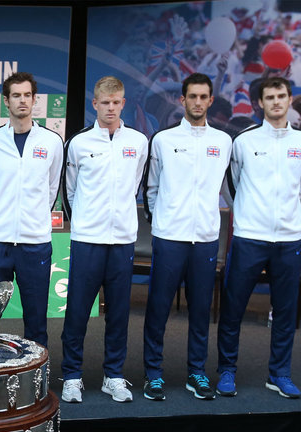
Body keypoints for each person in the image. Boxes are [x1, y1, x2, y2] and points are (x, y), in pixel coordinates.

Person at [141, 73, 232, 401]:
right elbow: (151, 188)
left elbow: (225, 189)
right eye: (191, 96)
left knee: (200, 310)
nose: (197, 102)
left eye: (203, 96)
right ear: (182, 100)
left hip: (205, 239)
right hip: (169, 237)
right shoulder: (163, 140)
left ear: (210, 100)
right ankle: (153, 374)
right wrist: (163, 220)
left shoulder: (223, 142)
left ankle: (197, 373)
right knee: (158, 308)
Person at [60, 76, 147, 403]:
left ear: (123, 103)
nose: (111, 108)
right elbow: (69, 190)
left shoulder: (139, 142)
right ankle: (71, 375)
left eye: (116, 102)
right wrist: (82, 221)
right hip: (87, 241)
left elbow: (135, 184)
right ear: (94, 104)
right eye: (104, 103)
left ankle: (114, 375)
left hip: (123, 241)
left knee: (120, 313)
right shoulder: (79, 143)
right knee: (78, 312)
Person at [217, 76, 301, 399]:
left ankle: (279, 374)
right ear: (260, 104)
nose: (276, 102)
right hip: (250, 237)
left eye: (281, 96)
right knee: (233, 308)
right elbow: (231, 184)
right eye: (270, 97)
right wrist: (249, 213)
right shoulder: (244, 142)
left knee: (285, 311)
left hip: (290, 240)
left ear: (289, 99)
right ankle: (227, 370)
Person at [0, 72, 63, 345]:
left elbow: (51, 189)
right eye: (16, 95)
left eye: (27, 95)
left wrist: (33, 217)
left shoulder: (51, 141)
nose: (22, 101)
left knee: (36, 320)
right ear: (6, 101)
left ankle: (35, 383)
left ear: (34, 99)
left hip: (35, 242)